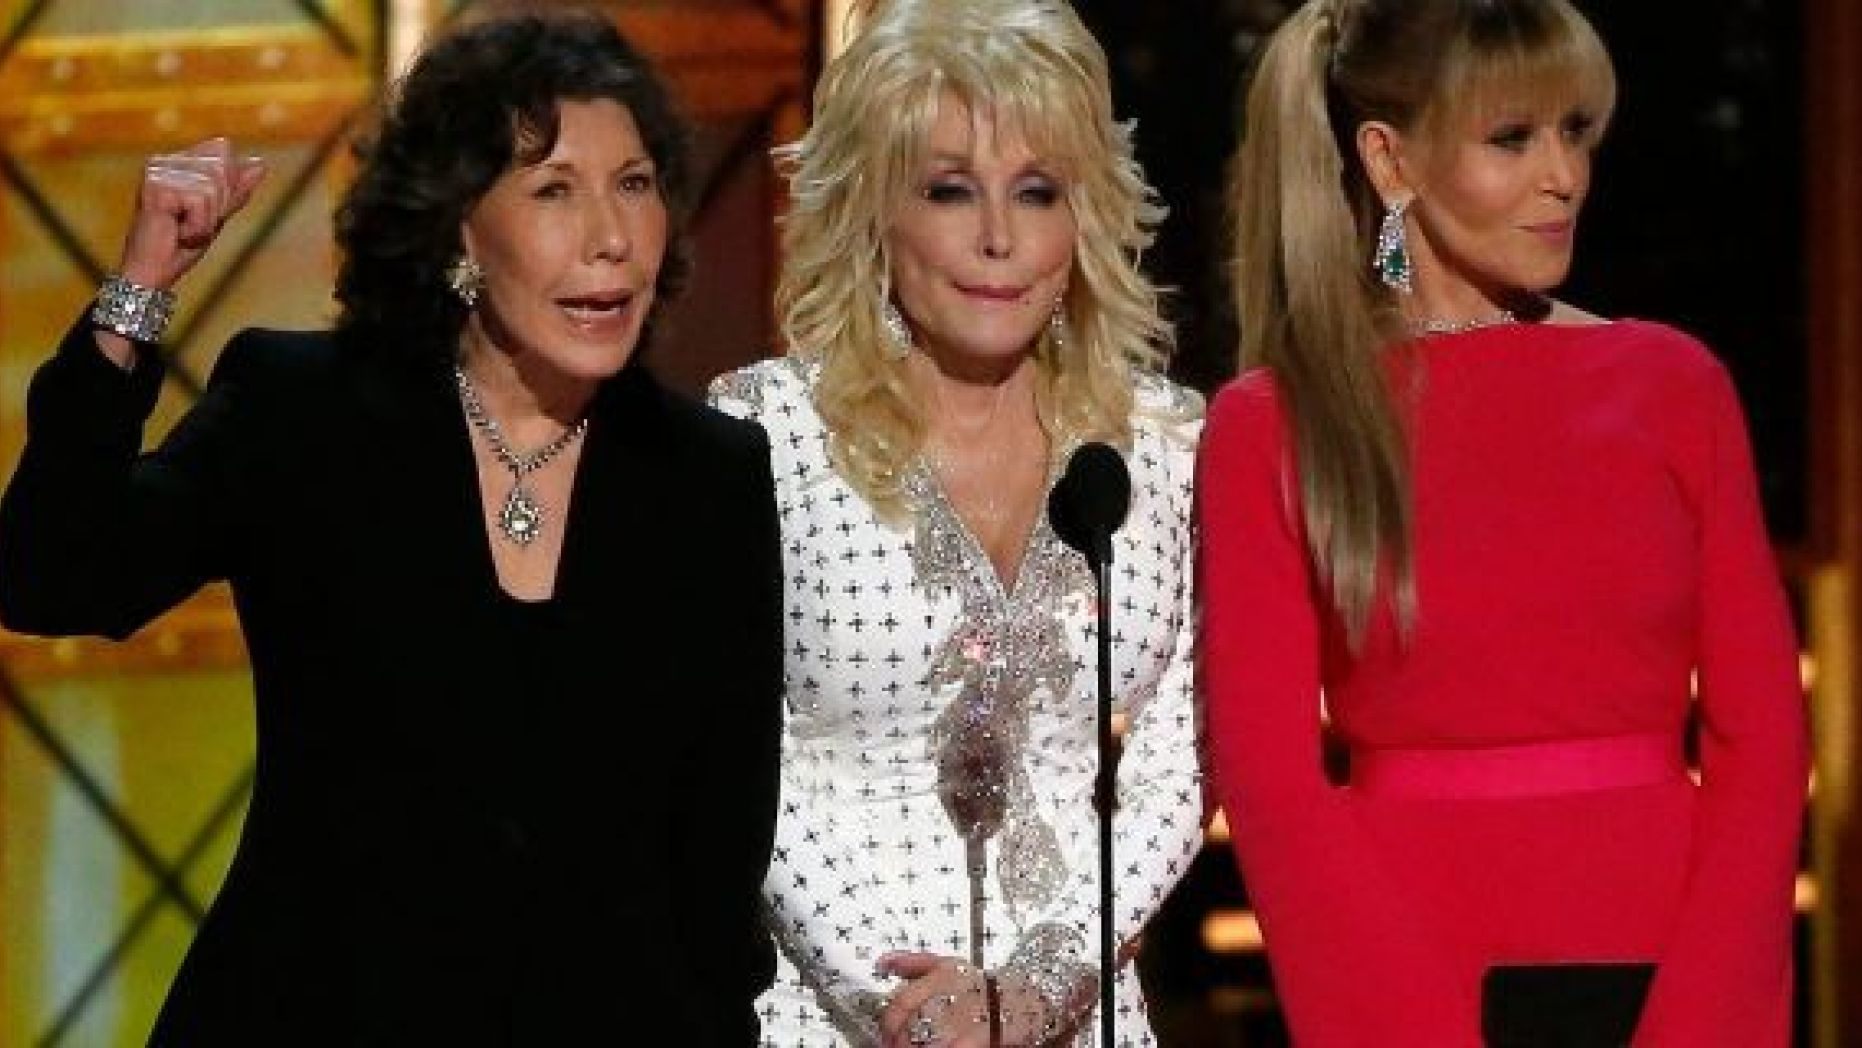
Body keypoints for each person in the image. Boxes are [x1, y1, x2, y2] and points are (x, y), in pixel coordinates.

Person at [0, 9, 782, 1045]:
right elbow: (54, 575)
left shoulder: (710, 477)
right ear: (459, 223)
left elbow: (713, 883)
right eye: (554, 189)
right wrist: (137, 293)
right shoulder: (303, 410)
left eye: (633, 184)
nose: (611, 237)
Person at [1199, 0, 1811, 1044]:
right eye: (1510, 138)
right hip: (1399, 972)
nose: (1562, 175)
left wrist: (1706, 1012)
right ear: (1390, 162)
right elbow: (1266, 774)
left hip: (1670, 962)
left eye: (1574, 131)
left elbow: (1761, 736)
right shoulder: (1272, 423)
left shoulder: (1671, 384)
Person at [705, 1, 1204, 1044]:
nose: (997, 237)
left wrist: (1044, 979)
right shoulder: (766, 432)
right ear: (873, 210)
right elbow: (738, 746)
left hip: (1078, 1012)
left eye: (1036, 191)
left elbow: (1178, 754)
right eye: (947, 190)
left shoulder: (1158, 441)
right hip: (830, 1014)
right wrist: (901, 1004)